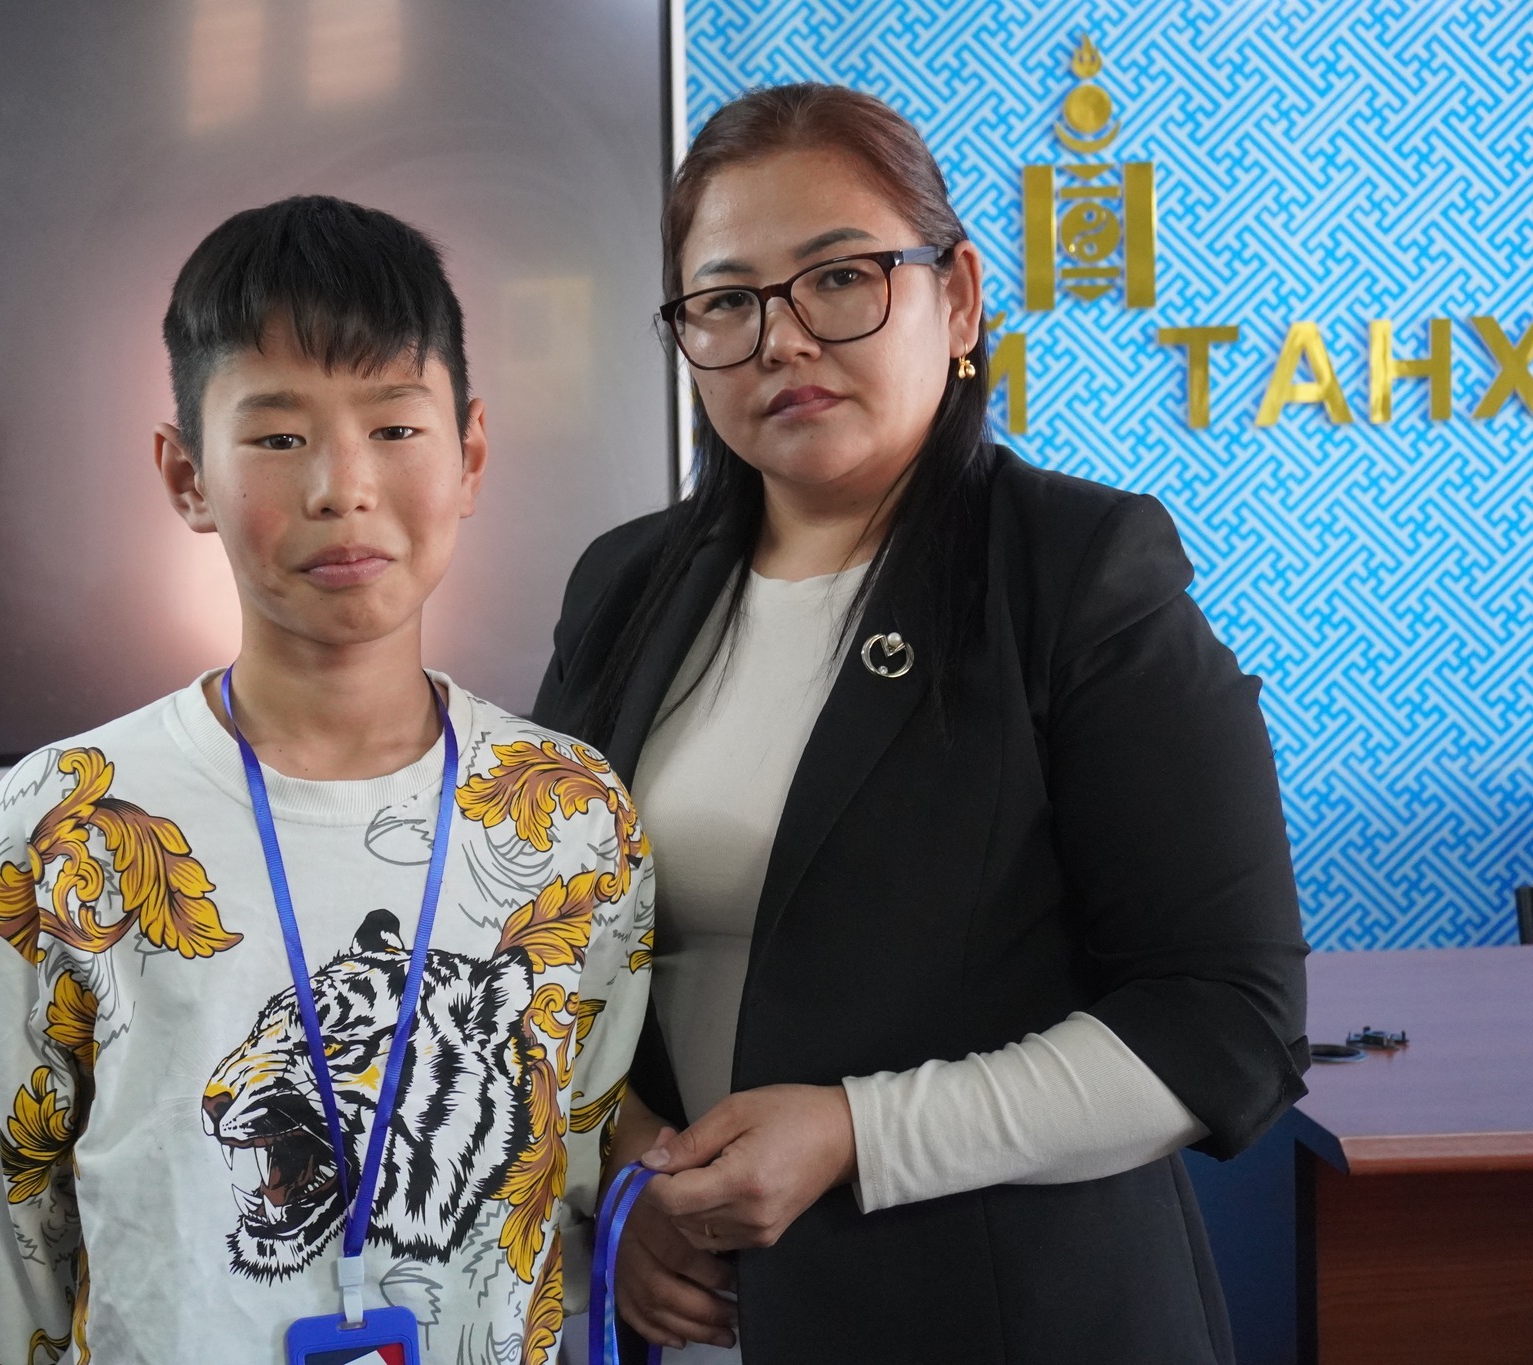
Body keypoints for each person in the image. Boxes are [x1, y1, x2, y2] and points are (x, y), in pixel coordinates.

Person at [533, 85, 1307, 1364]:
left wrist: (856, 1133)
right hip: (695, 1324)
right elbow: (536, 946)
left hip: (1004, 1316)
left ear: (956, 297)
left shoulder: (1074, 570)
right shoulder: (624, 584)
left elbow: (1226, 1018)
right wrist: (616, 1172)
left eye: (838, 278)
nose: (781, 339)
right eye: (725, 301)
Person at [0, 195, 655, 1365]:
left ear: (470, 454)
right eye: (277, 438)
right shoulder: (67, 820)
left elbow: (567, 1180)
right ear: (185, 475)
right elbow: (7, 1224)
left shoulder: (570, 815)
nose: (341, 485)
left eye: (395, 426)